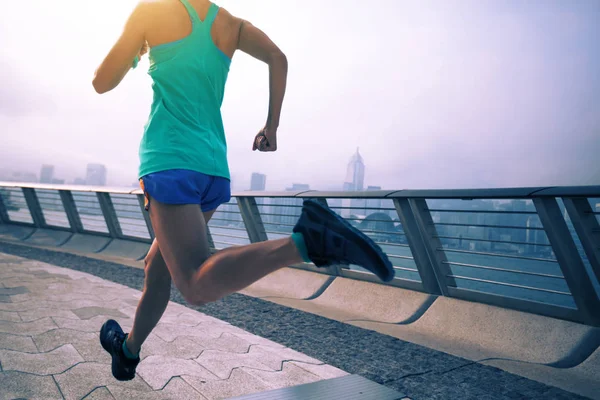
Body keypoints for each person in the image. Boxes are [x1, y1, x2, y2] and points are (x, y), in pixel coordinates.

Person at [93, 0, 394, 381]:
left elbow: (102, 82)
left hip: (169, 159)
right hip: (212, 168)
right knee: (158, 266)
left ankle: (306, 242)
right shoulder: (230, 24)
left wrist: (137, 49)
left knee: (195, 283)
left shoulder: (151, 12)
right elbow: (277, 56)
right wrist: (272, 126)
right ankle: (128, 351)